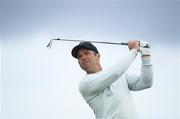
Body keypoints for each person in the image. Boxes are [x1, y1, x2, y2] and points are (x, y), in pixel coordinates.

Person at [71, 40, 153, 119]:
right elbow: (116, 72)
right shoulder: (85, 83)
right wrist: (134, 51)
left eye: (86, 53)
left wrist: (146, 54)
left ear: (98, 56)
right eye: (79, 56)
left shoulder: (120, 76)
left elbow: (146, 82)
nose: (83, 57)